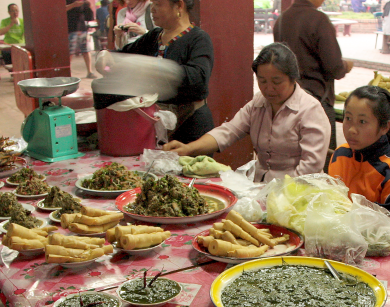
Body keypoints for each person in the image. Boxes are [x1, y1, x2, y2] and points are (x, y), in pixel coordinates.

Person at [163, 43, 330, 182]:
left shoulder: (310, 111)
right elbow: (228, 131)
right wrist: (188, 149)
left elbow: (310, 169)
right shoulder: (259, 104)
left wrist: (277, 195)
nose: (269, 89)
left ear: (293, 78)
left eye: (276, 81)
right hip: (260, 188)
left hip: (298, 193)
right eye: (262, 81)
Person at [328, 86, 390, 249]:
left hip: (385, 251)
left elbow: (383, 230)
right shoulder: (340, 154)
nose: (352, 130)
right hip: (344, 242)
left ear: (384, 127)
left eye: (362, 122)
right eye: (348, 118)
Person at [118, 0, 214, 143]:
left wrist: (155, 67)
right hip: (156, 123)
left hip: (190, 125)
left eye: (158, 4)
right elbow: (124, 56)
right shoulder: (154, 36)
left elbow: (198, 78)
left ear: (179, 5)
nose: (152, 10)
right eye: (152, 4)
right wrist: (108, 57)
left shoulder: (198, 39)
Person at [274, 0, 354, 153]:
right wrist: (346, 66)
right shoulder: (318, 19)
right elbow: (334, 67)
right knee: (321, 163)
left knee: (291, 158)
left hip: (288, 101)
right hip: (317, 102)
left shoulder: (282, 19)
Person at [66, 0, 97, 79]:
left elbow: (89, 17)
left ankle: (89, 71)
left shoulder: (83, 2)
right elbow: (61, 10)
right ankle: (67, 73)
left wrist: (89, 7)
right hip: (71, 29)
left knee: (86, 50)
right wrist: (73, 5)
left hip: (82, 29)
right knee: (70, 52)